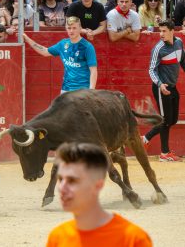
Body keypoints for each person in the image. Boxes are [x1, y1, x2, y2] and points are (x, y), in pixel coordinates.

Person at [46, 142, 152, 247]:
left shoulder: (134, 239)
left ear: (97, 185)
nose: (61, 188)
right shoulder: (57, 237)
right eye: (60, 179)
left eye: (72, 180)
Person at [141, 19, 185, 162]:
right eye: (160, 31)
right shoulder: (158, 48)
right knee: (166, 120)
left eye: (164, 31)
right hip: (162, 87)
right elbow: (151, 70)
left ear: (172, 31)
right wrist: (160, 84)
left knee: (172, 119)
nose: (161, 34)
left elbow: (182, 60)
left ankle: (146, 138)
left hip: (172, 86)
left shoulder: (179, 43)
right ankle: (164, 153)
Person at [23, 16, 97, 93]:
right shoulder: (63, 44)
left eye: (74, 28)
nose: (71, 31)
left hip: (82, 90)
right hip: (66, 89)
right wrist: (27, 39)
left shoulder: (87, 46)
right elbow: (45, 51)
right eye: (69, 28)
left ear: (80, 29)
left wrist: (91, 91)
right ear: (66, 28)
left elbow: (93, 70)